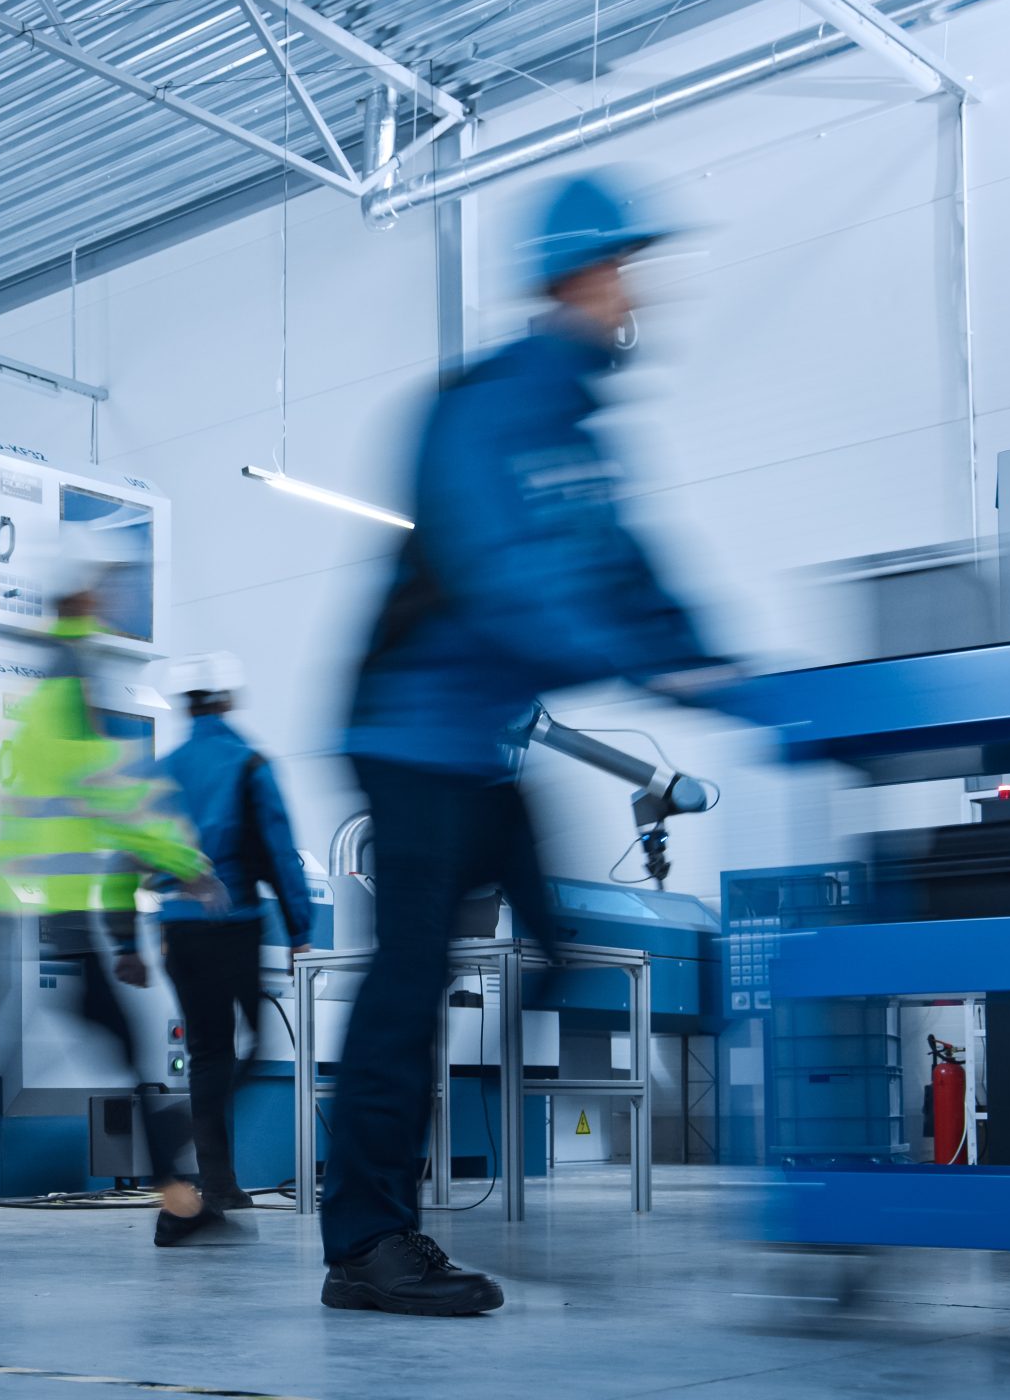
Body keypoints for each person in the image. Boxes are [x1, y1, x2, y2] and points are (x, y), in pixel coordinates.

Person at [320, 172, 740, 1316]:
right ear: (576, 279)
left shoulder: (581, 437)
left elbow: (634, 571)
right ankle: (365, 1244)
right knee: (406, 987)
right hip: (409, 735)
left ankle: (475, 1172)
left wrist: (727, 665)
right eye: (622, 276)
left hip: (480, 750)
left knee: (554, 940)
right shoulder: (483, 410)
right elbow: (503, 577)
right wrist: (650, 660)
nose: (634, 300)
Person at [0, 522, 232, 1251]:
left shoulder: (53, 674)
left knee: (68, 1061)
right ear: (82, 589)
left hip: (37, 906)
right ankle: (180, 1203)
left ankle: (180, 1201)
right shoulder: (70, 678)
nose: (117, 592)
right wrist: (185, 862)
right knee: (46, 1069)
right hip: (49, 911)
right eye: (108, 581)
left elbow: (27, 794)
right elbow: (107, 793)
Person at [156, 651, 316, 1212]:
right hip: (233, 924)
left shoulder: (164, 769)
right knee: (255, 1042)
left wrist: (129, 940)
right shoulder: (249, 764)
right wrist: (301, 929)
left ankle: (218, 1182)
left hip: (175, 927)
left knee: (206, 1052)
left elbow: (135, 849)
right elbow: (277, 848)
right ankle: (191, 1145)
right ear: (226, 698)